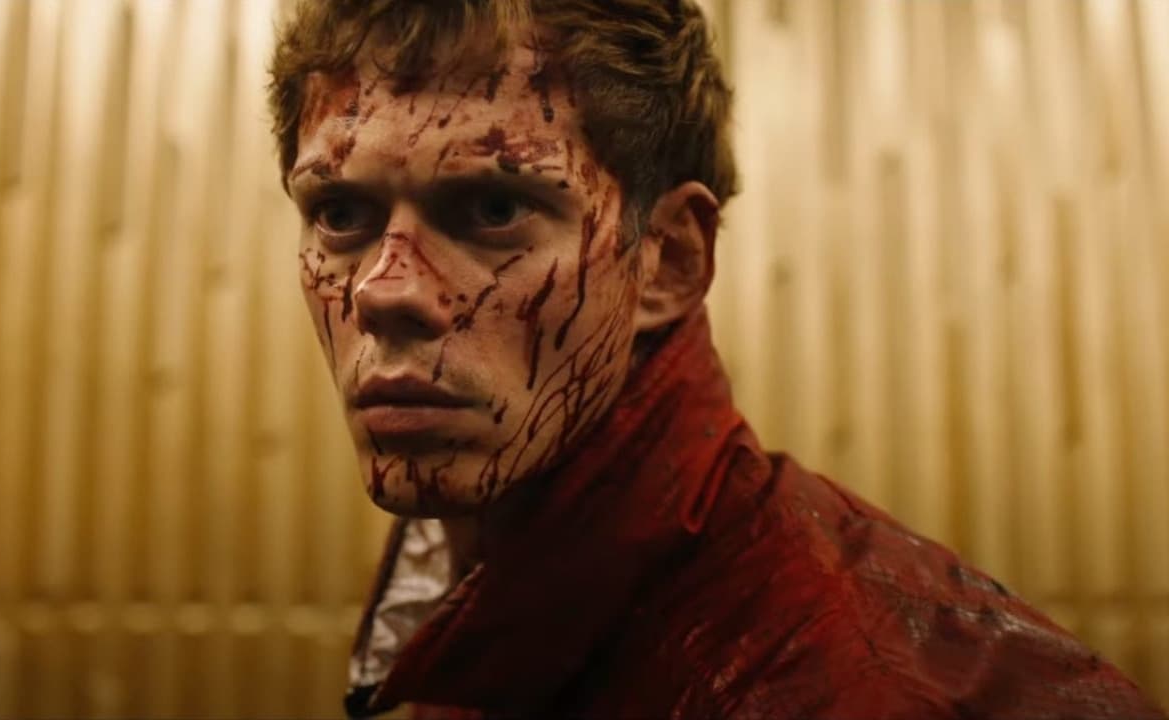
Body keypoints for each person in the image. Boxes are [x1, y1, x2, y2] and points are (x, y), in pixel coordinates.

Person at [267, 1, 1166, 717]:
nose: (383, 291)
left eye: (493, 210)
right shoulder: (483, 619)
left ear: (668, 261)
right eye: (339, 215)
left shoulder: (870, 689)